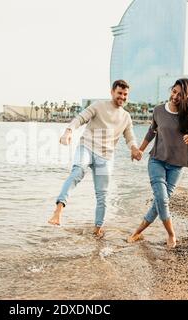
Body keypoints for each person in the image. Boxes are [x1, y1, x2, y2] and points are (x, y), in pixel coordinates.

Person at [48, 80, 143, 238]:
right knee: (77, 171)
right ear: (112, 92)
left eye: (125, 94)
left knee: (102, 195)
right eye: (119, 93)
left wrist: (134, 149)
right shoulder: (99, 106)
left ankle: (97, 230)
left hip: (105, 156)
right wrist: (68, 131)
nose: (122, 97)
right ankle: (58, 211)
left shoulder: (126, 117)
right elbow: (80, 118)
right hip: (87, 146)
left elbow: (130, 137)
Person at [127, 78, 188, 248]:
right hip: (157, 160)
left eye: (180, 95)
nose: (175, 96)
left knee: (159, 202)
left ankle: (137, 232)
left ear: (187, 97)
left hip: (177, 166)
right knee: (161, 198)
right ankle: (171, 235)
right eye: (174, 91)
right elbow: (152, 131)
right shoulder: (159, 110)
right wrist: (140, 150)